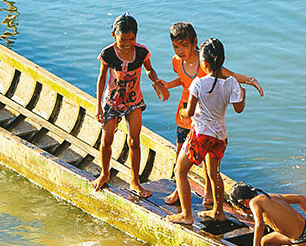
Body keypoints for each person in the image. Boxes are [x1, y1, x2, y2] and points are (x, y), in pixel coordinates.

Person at [159, 22, 263, 203]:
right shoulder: (176, 62)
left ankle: (208, 191)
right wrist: (168, 85)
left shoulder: (206, 61)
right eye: (176, 47)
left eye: (185, 46)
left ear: (194, 43)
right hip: (185, 118)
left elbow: (228, 75)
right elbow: (184, 81)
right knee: (180, 156)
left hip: (201, 121)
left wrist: (249, 80)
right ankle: (179, 190)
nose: (180, 51)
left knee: (209, 161)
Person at [164, 38, 244, 226]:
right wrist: (243, 93)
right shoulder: (231, 82)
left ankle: (186, 215)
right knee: (214, 173)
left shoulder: (198, 84)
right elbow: (239, 108)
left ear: (204, 62)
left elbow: (190, 112)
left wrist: (183, 110)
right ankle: (218, 211)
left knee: (180, 170)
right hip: (220, 136)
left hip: (200, 135)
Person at [90, 13, 168, 198]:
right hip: (112, 102)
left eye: (131, 39)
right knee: (107, 140)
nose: (127, 43)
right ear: (113, 35)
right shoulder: (108, 53)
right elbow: (102, 79)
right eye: (123, 39)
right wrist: (98, 106)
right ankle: (104, 174)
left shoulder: (141, 52)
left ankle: (135, 181)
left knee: (134, 141)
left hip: (134, 102)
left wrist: (156, 81)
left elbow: (149, 69)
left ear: (136, 36)